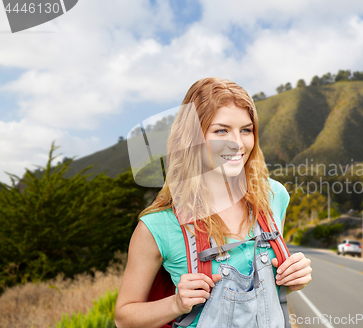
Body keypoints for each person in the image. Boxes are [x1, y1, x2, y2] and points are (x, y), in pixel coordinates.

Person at [114, 77, 312, 328]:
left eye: (246, 130)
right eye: (221, 130)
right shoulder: (158, 226)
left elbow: (264, 296)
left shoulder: (275, 196)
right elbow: (124, 318)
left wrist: (293, 280)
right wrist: (175, 304)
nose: (238, 143)